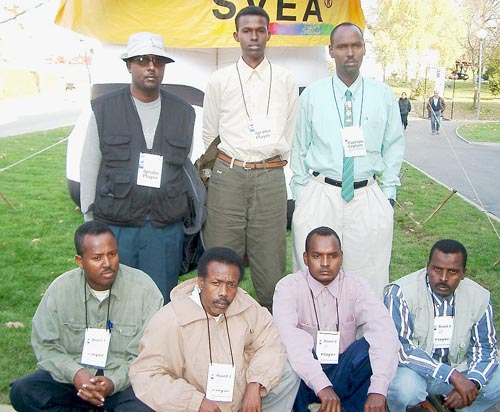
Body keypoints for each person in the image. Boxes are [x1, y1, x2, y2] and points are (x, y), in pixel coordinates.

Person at [290, 22, 404, 297]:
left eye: (355, 45)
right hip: (321, 194)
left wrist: (387, 195)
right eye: (342, 46)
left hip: (367, 196)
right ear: (331, 51)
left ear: (364, 49)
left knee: (370, 277)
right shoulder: (312, 95)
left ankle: (364, 339)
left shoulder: (383, 95)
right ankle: (311, 335)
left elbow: (394, 146)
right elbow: (299, 148)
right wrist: (301, 195)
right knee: (313, 277)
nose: (349, 52)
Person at [80, 32, 195, 302]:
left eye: (158, 61)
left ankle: (156, 345)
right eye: (143, 60)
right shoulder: (104, 109)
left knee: (159, 298)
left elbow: (183, 165)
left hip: (164, 227)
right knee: (113, 296)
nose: (151, 67)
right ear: (129, 65)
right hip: (117, 223)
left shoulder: (183, 112)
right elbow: (89, 163)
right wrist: (89, 218)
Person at [202, 6, 298, 311]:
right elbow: (209, 135)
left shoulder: (285, 80)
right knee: (220, 263)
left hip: (270, 178)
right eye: (247, 31)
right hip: (228, 177)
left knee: (271, 265)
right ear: (236, 35)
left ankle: (270, 337)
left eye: (260, 30)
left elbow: (290, 132)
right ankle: (217, 336)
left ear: (268, 34)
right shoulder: (220, 80)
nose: (254, 36)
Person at [9, 221, 163, 411]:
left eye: (112, 254)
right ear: (80, 261)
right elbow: (45, 345)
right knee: (23, 391)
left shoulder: (145, 291)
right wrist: (76, 374)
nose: (107, 264)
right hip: (74, 383)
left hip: (123, 383)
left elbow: (148, 354)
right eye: (97, 258)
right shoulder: (61, 289)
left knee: (147, 405)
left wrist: (113, 382)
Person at [129, 247, 300, 411]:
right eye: (216, 283)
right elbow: (146, 374)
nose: (224, 292)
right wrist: (194, 402)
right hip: (193, 406)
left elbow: (270, 343)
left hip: (241, 399)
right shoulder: (169, 319)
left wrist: (256, 383)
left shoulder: (247, 307)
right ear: (201, 282)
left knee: (288, 372)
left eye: (231, 285)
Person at [273, 226, 399, 412]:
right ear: (305, 258)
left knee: (369, 347)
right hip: (305, 373)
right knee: (287, 354)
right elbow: (290, 340)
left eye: (332, 256)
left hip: (342, 369)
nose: (325, 263)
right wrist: (322, 385)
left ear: (341, 257)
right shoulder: (288, 287)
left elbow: (384, 330)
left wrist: (379, 390)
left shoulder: (357, 285)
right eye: (317, 256)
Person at [384, 239, 500, 411]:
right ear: (427, 267)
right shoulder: (400, 292)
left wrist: (473, 383)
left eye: (453, 271)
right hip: (417, 371)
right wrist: (451, 376)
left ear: (463, 273)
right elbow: (402, 349)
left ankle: (462, 403)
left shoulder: (479, 296)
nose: (443, 278)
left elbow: (486, 348)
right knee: (404, 390)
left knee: (496, 382)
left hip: (461, 368)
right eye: (437, 269)